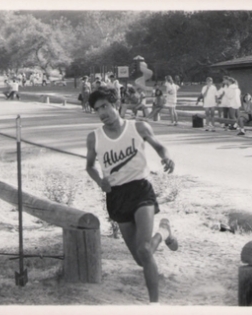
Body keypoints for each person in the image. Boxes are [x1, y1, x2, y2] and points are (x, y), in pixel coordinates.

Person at [85, 86, 178, 304]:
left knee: (145, 251)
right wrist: (100, 181)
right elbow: (90, 166)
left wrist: (167, 158)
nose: (102, 113)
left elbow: (161, 147)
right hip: (116, 196)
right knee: (140, 259)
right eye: (98, 109)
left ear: (116, 104)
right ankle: (164, 232)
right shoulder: (94, 138)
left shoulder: (139, 127)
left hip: (140, 190)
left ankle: (154, 304)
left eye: (105, 106)